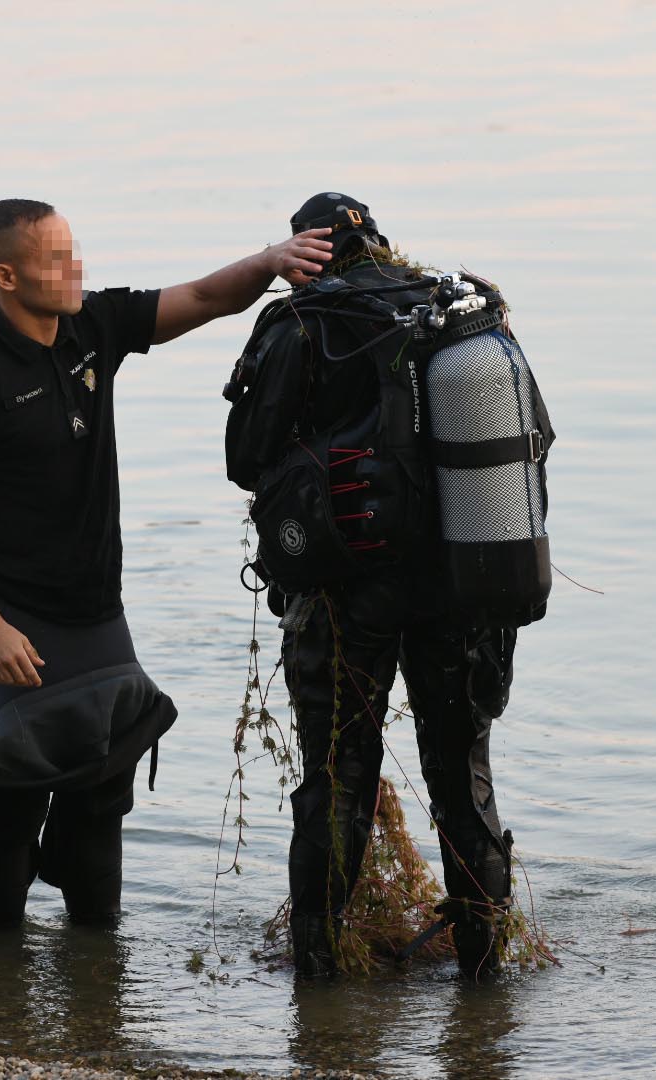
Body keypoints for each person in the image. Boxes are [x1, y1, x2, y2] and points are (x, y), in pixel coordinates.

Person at [0, 198, 333, 928]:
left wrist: (270, 261)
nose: (75, 270)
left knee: (101, 813)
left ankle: (98, 1007)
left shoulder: (90, 328)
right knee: (3, 830)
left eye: (74, 251)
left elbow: (201, 297)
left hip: (98, 614)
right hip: (12, 623)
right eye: (54, 260)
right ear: (6, 276)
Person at [225, 193, 545, 982]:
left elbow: (244, 458)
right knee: (463, 780)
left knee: (337, 782)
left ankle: (318, 981)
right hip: (462, 588)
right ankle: (484, 980)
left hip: (341, 594)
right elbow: (533, 436)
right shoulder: (460, 314)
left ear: (309, 253)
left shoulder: (298, 321)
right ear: (384, 244)